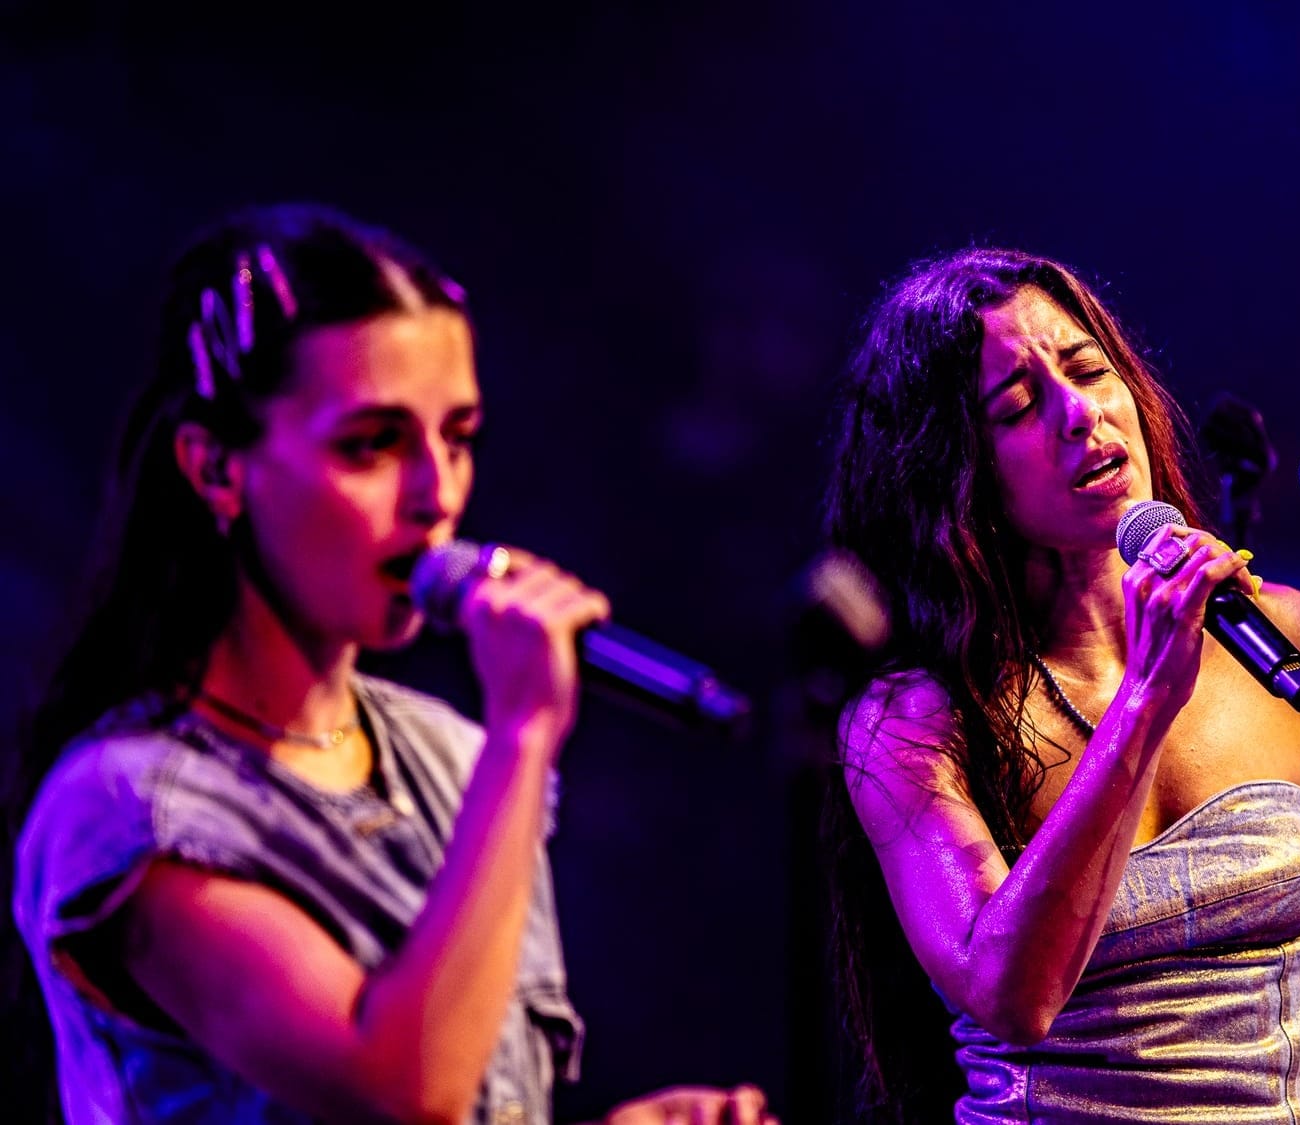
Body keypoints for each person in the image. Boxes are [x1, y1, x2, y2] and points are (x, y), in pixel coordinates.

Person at [9, 204, 773, 1125]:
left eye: (456, 437)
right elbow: (403, 1092)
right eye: (371, 445)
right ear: (216, 469)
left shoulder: (449, 754)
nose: (436, 495)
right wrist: (526, 733)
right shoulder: (131, 811)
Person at [823, 247, 1300, 1124]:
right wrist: (1145, 700)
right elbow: (1008, 993)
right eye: (1019, 406)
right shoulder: (914, 720)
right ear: (956, 474)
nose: (1081, 414)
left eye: (1088, 369)